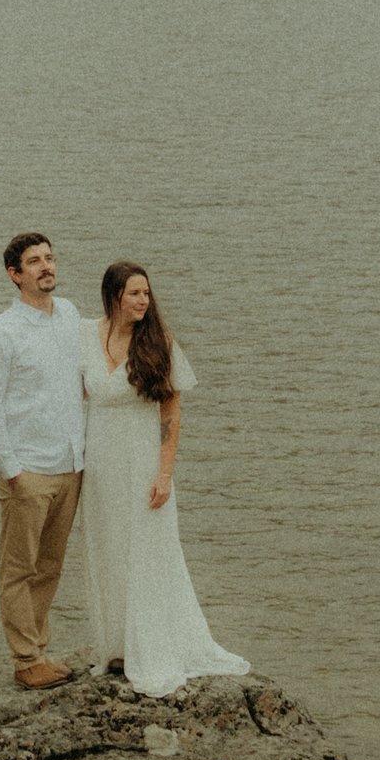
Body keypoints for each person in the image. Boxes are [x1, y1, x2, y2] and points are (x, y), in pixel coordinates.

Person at [75, 260, 248, 697]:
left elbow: (170, 413)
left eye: (146, 294)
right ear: (113, 296)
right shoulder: (85, 335)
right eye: (134, 293)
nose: (143, 301)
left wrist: (164, 474)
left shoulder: (158, 343)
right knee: (108, 549)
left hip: (142, 464)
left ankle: (151, 648)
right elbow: (77, 395)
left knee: (148, 553)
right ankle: (116, 645)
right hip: (99, 466)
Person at [0, 231, 87, 689]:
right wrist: (12, 470)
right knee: (19, 568)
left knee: (51, 566)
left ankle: (39, 649)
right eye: (34, 261)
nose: (46, 267)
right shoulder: (0, 334)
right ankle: (25, 661)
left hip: (70, 463)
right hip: (28, 471)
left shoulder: (71, 315)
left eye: (50, 258)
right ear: (14, 275)